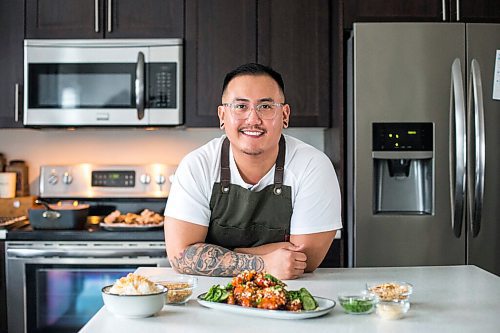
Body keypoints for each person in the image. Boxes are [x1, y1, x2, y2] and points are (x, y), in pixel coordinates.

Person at [164, 63, 342, 280]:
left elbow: (304, 259)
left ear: (285, 115)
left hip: (287, 298)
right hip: (208, 297)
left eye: (266, 107)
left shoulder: (313, 166)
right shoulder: (197, 165)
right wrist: (263, 263)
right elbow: (181, 256)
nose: (253, 119)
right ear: (222, 115)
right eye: (240, 106)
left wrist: (217, 252)